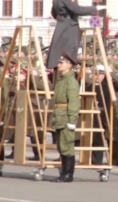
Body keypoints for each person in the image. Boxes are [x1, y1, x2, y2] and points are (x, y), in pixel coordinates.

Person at [46, 0, 100, 69]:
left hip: (61, 26)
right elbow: (77, 10)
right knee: (69, 52)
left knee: (59, 51)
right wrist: (95, 8)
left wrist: (62, 18)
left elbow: (54, 13)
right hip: (69, 26)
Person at [52, 51, 81, 183]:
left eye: (61, 63)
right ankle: (64, 172)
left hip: (66, 118)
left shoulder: (71, 81)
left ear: (69, 65)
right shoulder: (62, 81)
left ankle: (68, 174)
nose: (59, 64)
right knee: (61, 146)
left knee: (67, 146)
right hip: (59, 117)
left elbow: (74, 102)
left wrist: (72, 119)